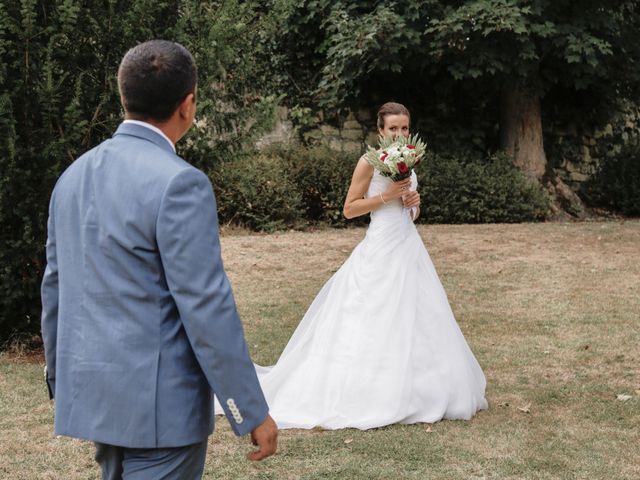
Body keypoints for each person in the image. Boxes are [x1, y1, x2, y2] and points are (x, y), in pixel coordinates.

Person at [40, 40, 277, 479]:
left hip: (96, 395)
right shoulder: (181, 184)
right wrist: (249, 409)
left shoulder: (70, 178)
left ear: (123, 95)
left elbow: (55, 288)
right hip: (161, 411)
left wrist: (63, 378)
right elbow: (206, 306)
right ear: (188, 105)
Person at [227, 102, 488, 429]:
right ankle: (367, 391)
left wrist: (413, 204)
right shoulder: (368, 162)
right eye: (393, 128)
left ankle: (421, 389)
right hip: (379, 247)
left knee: (419, 312)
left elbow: (408, 212)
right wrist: (389, 195)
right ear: (380, 131)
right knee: (371, 312)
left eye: (404, 128)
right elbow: (350, 209)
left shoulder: (408, 161)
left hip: (408, 246)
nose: (399, 134)